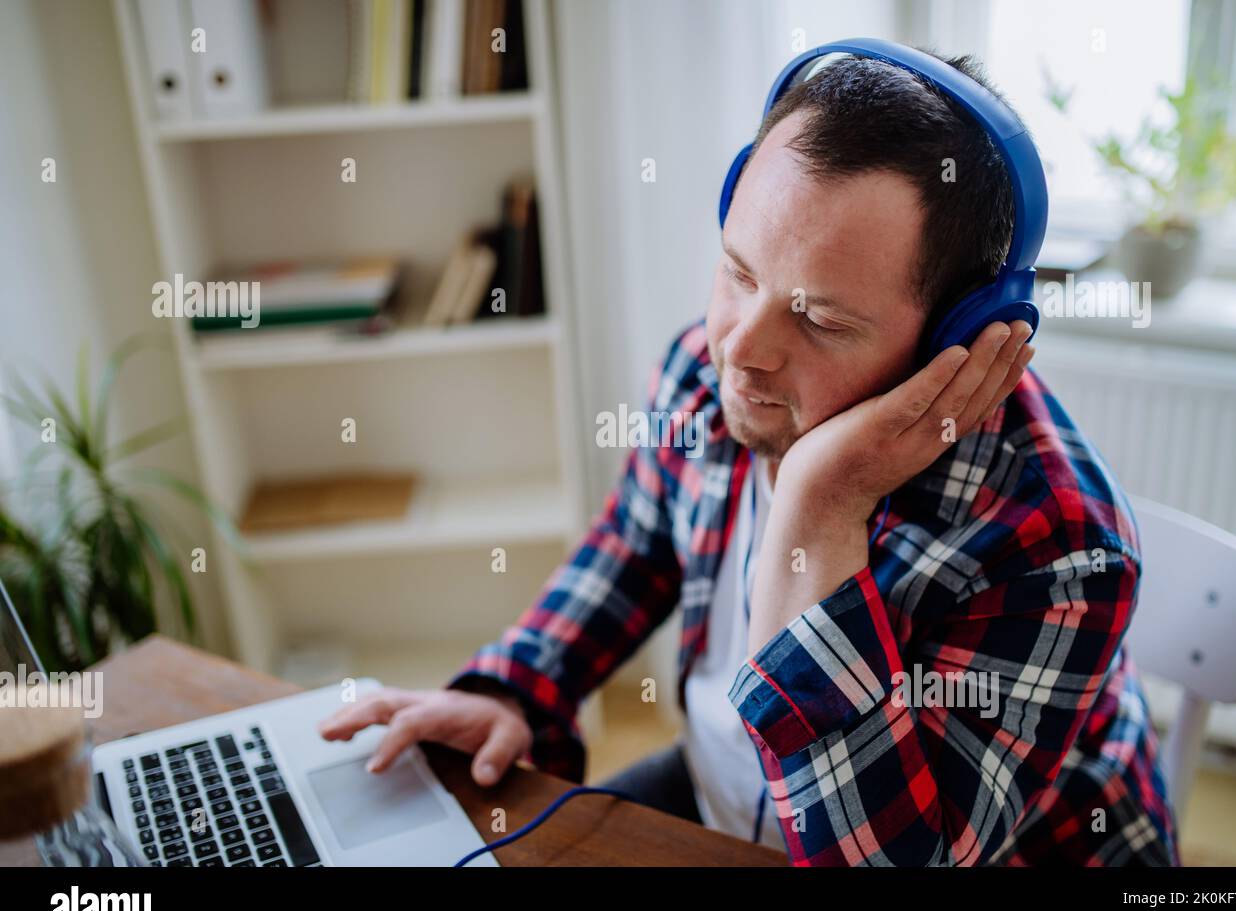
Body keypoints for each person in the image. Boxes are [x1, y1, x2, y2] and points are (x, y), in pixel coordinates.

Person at [319, 49, 1178, 866]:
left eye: (820, 322)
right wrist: (511, 689)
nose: (740, 350)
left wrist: (818, 511)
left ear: (959, 339)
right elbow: (632, 548)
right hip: (723, 793)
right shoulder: (705, 371)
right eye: (737, 272)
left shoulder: (1060, 543)